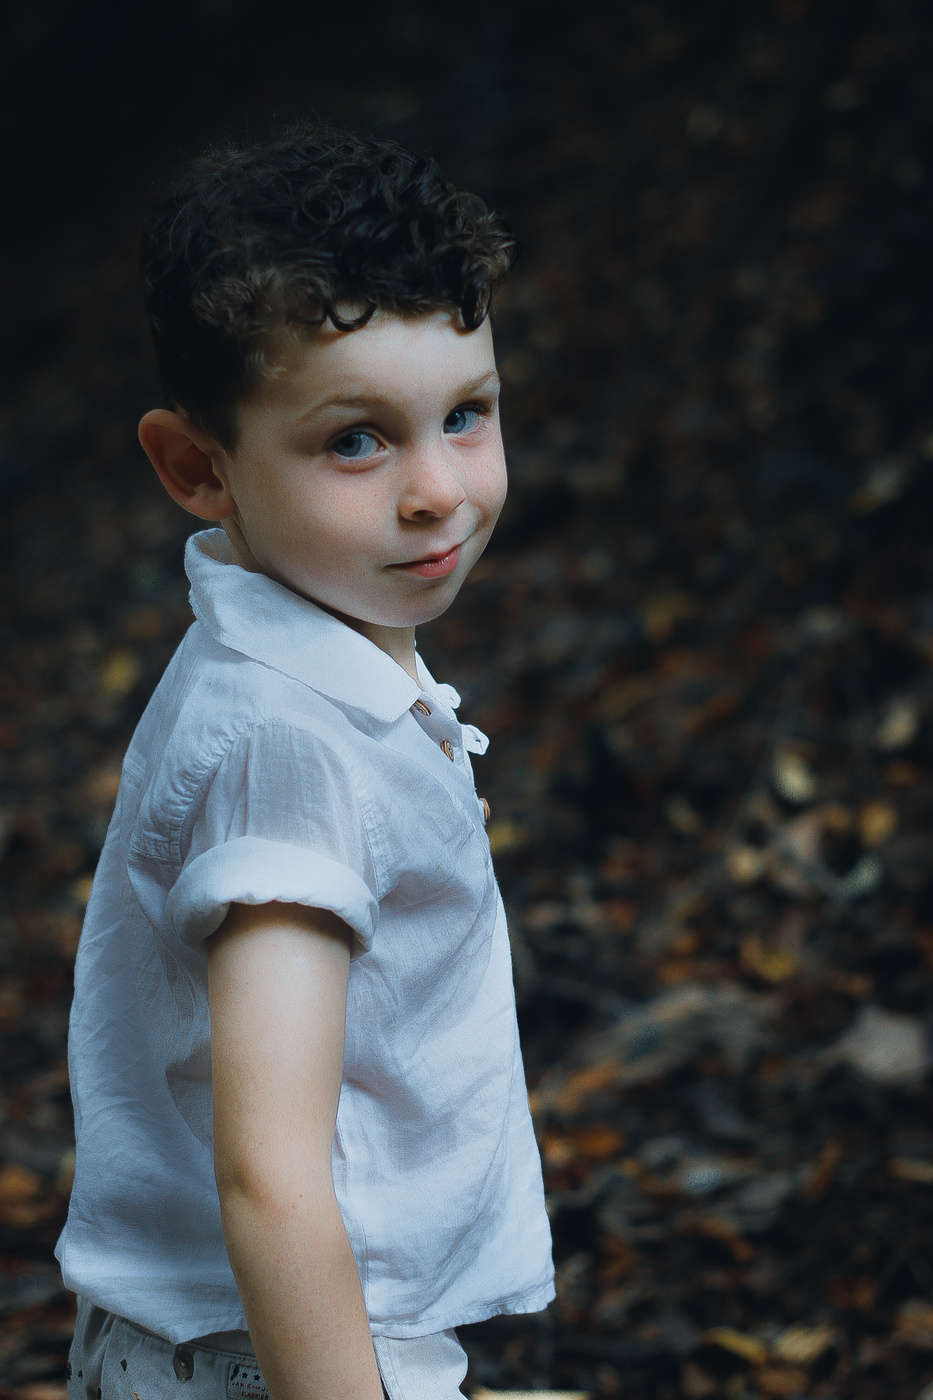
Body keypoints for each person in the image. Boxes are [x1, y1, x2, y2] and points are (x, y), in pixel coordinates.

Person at [56, 121, 554, 1400]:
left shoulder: (309, 662)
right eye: (356, 440)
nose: (437, 487)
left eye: (466, 414)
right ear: (198, 468)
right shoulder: (287, 742)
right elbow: (271, 1174)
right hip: (274, 1354)